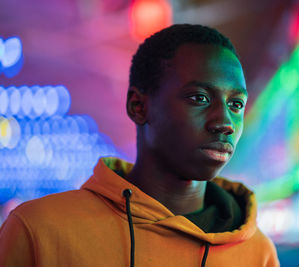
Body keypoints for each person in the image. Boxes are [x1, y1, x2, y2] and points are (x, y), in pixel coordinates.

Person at [0, 24, 279, 266]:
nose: (225, 122)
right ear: (138, 107)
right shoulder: (39, 231)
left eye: (236, 104)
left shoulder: (257, 252)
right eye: (199, 98)